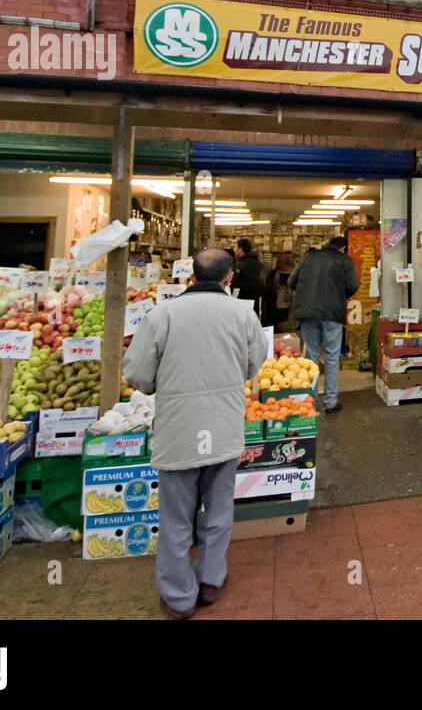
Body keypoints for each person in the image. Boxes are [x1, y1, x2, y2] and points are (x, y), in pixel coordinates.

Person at [123, 248, 266, 621]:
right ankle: (210, 580)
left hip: (179, 428)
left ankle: (178, 596)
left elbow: (137, 374)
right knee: (219, 509)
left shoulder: (162, 315)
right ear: (229, 277)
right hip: (222, 425)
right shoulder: (242, 313)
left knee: (175, 515)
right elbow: (255, 364)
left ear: (190, 276)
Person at [290, 235, 358, 413]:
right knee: (331, 357)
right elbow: (353, 285)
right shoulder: (344, 260)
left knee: (311, 357)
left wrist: (309, 293)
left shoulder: (308, 257)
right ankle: (330, 402)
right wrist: (337, 295)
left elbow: (291, 282)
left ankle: (310, 402)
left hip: (307, 312)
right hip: (332, 313)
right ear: (343, 248)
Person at [262, 252, 296, 329]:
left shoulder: (293, 272)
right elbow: (268, 286)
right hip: (275, 300)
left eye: (281, 261)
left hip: (287, 299)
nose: (279, 263)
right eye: (278, 261)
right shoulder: (273, 273)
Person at [231, 238, 264, 313]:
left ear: (240, 249)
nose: (234, 250)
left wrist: (235, 287)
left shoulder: (243, 265)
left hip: (244, 301)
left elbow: (238, 284)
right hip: (253, 302)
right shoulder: (256, 263)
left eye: (235, 247)